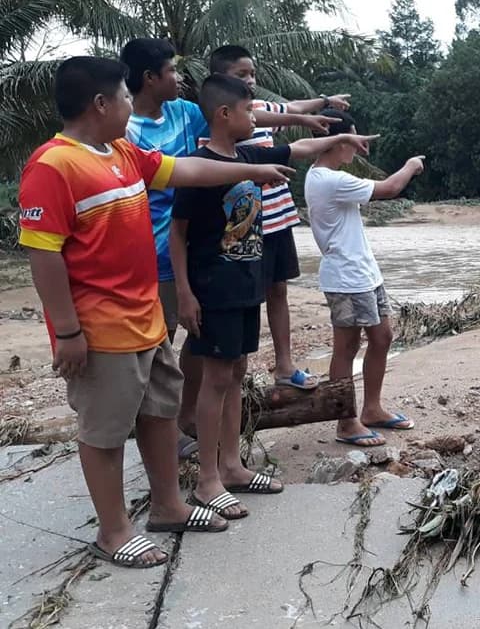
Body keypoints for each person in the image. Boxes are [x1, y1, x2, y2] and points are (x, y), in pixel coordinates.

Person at [17, 56, 294, 568]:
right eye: (124, 97)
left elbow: (182, 169)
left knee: (161, 412)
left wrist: (252, 168)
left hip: (144, 318)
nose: (130, 106)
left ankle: (168, 505)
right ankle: (114, 529)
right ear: (100, 104)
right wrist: (68, 331)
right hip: (99, 328)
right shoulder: (52, 167)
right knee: (103, 432)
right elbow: (43, 255)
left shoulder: (120, 151)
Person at [170, 75, 377, 518]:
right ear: (225, 114)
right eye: (249, 111)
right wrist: (185, 293)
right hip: (215, 289)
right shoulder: (197, 166)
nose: (255, 118)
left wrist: (340, 135)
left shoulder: (245, 153)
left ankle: (231, 465)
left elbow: (297, 150)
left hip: (247, 284)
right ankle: (208, 480)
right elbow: (177, 232)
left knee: (237, 373)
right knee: (216, 378)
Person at [208, 45, 351, 393]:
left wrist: (321, 101)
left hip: (277, 217)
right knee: (246, 297)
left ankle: (284, 365)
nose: (251, 80)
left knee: (279, 290)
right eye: (242, 74)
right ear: (220, 80)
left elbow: (290, 108)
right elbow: (286, 116)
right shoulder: (224, 116)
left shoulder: (256, 108)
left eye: (252, 74)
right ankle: (236, 372)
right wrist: (301, 119)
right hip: (242, 227)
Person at [304, 109, 425, 447]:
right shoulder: (329, 180)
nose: (356, 149)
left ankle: (372, 409)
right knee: (346, 347)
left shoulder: (326, 177)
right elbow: (390, 188)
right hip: (346, 277)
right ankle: (345, 422)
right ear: (339, 142)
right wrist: (412, 164)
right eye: (354, 141)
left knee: (382, 337)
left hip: (363, 272)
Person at [120, 38, 210, 460]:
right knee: (158, 348)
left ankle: (184, 416)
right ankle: (160, 433)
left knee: (202, 335)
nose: (179, 77)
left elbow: (243, 115)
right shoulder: (123, 132)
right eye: (171, 70)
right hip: (151, 258)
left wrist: (308, 109)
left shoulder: (187, 113)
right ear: (149, 79)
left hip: (199, 250)